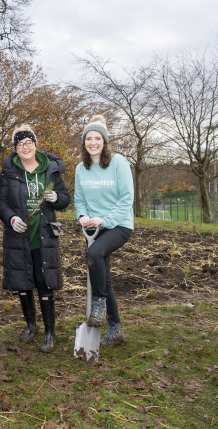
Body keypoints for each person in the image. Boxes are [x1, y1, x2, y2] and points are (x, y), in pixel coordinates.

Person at [0, 125, 70, 352]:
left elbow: (66, 199)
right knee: (23, 282)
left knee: (43, 280)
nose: (25, 147)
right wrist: (11, 219)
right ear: (15, 149)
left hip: (43, 236)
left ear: (35, 144)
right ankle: (30, 325)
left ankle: (49, 332)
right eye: (20, 144)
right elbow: (1, 203)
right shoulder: (8, 173)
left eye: (28, 142)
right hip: (18, 236)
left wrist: (56, 197)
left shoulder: (51, 170)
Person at [74, 115, 134, 347]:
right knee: (104, 279)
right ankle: (116, 328)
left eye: (97, 138)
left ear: (104, 141)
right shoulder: (82, 168)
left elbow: (126, 199)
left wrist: (105, 220)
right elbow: (80, 200)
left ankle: (98, 304)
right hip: (94, 228)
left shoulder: (119, 163)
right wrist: (83, 217)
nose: (93, 142)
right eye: (89, 138)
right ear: (84, 143)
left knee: (94, 255)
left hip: (118, 225)